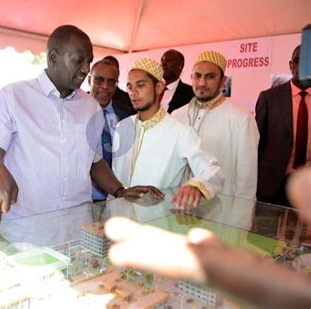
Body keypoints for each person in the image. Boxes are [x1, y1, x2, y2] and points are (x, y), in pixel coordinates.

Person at [0, 25, 163, 234]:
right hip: (28, 230)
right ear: (53, 56)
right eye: (79, 60)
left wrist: (120, 190)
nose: (85, 69)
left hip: (78, 228)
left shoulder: (91, 106)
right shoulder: (14, 96)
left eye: (89, 62)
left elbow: (94, 161)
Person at [105, 166, 311, 308]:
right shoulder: (180, 114)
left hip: (216, 218)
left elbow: (242, 178)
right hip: (177, 221)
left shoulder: (239, 120)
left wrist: (239, 227)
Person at [113, 58, 224, 209]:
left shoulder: (181, 132)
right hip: (118, 218)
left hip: (156, 220)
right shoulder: (122, 127)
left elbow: (212, 170)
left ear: (159, 87)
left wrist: (196, 186)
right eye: (129, 86)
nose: (133, 92)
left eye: (141, 85)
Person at [173, 51, 259, 200]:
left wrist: (240, 220)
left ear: (222, 81)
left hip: (220, 210)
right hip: (177, 205)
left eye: (210, 76)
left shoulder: (241, 119)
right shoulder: (177, 115)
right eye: (197, 76)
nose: (202, 83)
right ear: (191, 77)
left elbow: (247, 180)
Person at [255, 45, 311, 207]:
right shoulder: (269, 98)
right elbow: (256, 144)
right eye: (297, 61)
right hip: (272, 185)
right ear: (290, 65)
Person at [88, 59, 132, 201]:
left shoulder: (127, 116)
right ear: (89, 80)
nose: (105, 86)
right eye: (99, 80)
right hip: (82, 200)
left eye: (111, 82)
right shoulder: (73, 113)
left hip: (117, 197)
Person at [160, 49, 195, 113]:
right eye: (162, 60)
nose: (163, 63)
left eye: (169, 60)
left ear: (180, 66)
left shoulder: (191, 94)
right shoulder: (151, 89)